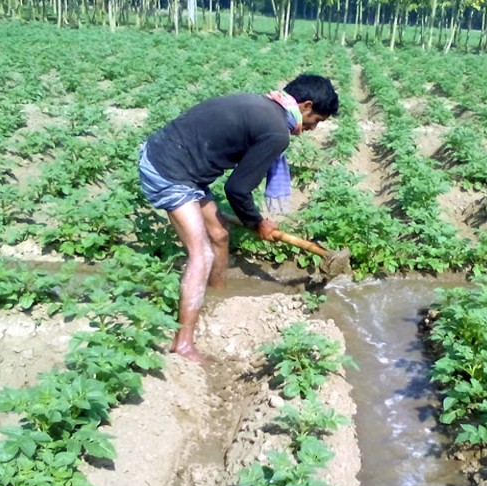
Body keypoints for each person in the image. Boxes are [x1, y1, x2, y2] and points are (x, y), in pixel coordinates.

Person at [138, 74, 339, 364]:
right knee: (202, 254)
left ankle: (217, 300)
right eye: (317, 121)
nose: (311, 129)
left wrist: (252, 220)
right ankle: (182, 344)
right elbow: (237, 189)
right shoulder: (276, 132)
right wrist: (257, 222)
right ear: (306, 106)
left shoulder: (263, 106)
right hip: (168, 169)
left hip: (178, 161)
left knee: (219, 234)